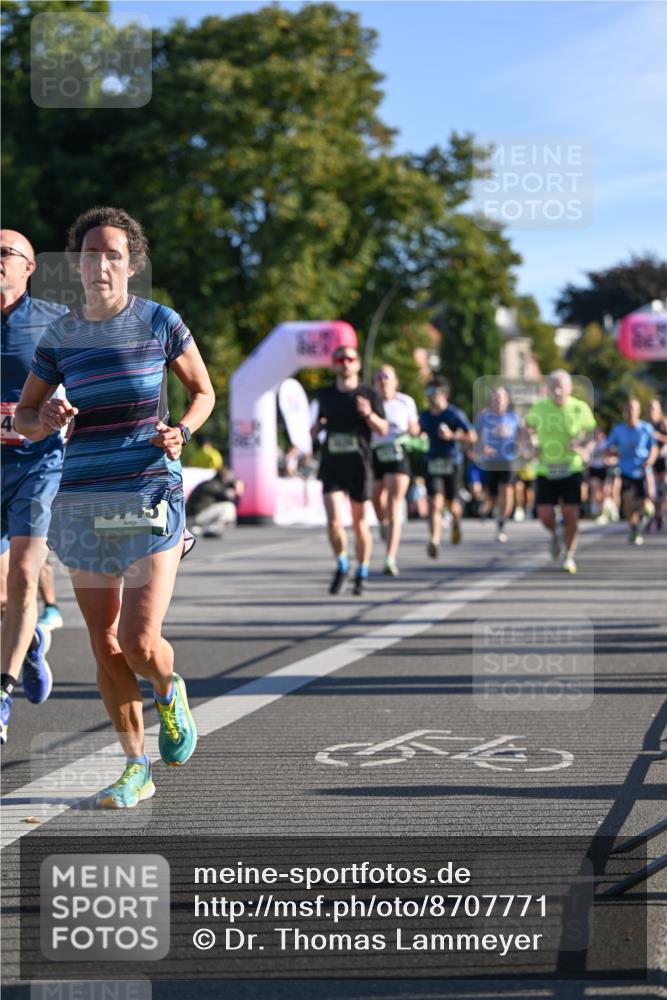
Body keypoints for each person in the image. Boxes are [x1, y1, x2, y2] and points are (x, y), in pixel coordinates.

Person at [16, 206, 215, 808]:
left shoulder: (159, 321)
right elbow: (25, 416)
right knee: (104, 643)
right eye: (90, 254)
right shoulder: (60, 335)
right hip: (83, 498)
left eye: (113, 255)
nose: (100, 264)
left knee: (138, 641)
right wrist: (46, 415)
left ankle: (168, 687)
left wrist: (182, 429)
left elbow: (203, 392)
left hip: (150, 491)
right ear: (76, 263)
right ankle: (136, 765)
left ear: (131, 265)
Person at [1, 229, 68, 745]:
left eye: (5, 253)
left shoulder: (55, 320)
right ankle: (29, 642)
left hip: (37, 463)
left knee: (26, 572)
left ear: (29, 267)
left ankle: (2, 692)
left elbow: (87, 380)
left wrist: (67, 410)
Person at [311, 344, 388, 595]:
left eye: (350, 359)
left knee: (359, 523)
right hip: (332, 464)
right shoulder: (324, 394)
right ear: (334, 365)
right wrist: (316, 429)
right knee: (334, 522)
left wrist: (368, 414)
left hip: (359, 466)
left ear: (357, 364)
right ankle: (342, 564)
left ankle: (362, 571)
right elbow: (316, 427)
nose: (345, 363)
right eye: (340, 359)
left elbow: (383, 429)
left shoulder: (369, 394)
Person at [525, 370, 596, 574]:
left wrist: (584, 448)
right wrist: (530, 445)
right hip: (546, 468)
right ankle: (556, 534)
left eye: (561, 387)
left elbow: (592, 433)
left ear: (569, 388)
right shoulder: (539, 408)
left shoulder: (579, 408)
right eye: (553, 387)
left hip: (571, 467)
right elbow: (525, 428)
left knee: (571, 514)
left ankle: (569, 555)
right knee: (545, 515)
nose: (557, 391)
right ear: (547, 389)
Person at [371, 365, 420, 576]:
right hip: (375, 452)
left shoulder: (405, 401)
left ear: (395, 381)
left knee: (394, 503)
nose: (383, 380)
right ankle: (383, 523)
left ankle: (390, 557)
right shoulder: (370, 401)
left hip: (398, 452)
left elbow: (415, 426)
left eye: (387, 376)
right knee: (375, 496)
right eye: (379, 377)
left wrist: (413, 431)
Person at [419, 378, 475, 557]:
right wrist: (418, 436)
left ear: (444, 393)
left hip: (452, 462)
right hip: (432, 462)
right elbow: (417, 431)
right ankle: (434, 541)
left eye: (434, 391)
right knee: (434, 503)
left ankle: (456, 523)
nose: (430, 396)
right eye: (428, 392)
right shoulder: (424, 416)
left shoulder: (454, 414)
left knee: (452, 504)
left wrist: (452, 436)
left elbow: (472, 436)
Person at [604, 398, 658, 545]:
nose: (630, 411)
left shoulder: (646, 428)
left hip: (643, 470)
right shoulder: (618, 429)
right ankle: (634, 528)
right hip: (626, 470)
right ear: (624, 411)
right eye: (628, 408)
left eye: (633, 408)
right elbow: (607, 448)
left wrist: (650, 460)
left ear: (639, 411)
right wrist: (612, 454)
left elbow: (653, 447)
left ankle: (642, 518)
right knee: (628, 502)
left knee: (644, 504)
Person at [474, 386, 522, 543]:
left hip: (508, 459)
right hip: (491, 460)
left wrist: (520, 445)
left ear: (507, 400)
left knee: (507, 491)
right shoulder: (484, 417)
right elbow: (475, 436)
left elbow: (522, 436)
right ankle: (486, 509)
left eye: (501, 397)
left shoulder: (514, 417)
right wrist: (481, 447)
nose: (499, 400)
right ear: (491, 400)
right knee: (492, 495)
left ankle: (501, 523)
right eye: (496, 397)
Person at [186, 466, 244, 537]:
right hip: (194, 517)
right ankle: (213, 528)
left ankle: (199, 528)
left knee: (223, 506)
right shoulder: (213, 485)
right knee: (228, 506)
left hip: (193, 516)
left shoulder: (210, 483)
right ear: (224, 476)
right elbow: (231, 501)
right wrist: (237, 493)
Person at [647, 398, 667, 530]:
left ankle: (660, 514)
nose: (651, 411)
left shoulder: (663, 422)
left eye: (653, 408)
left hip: (663, 458)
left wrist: (658, 436)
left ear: (659, 410)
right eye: (649, 408)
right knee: (652, 490)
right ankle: (655, 515)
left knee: (663, 488)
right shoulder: (646, 425)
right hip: (650, 460)